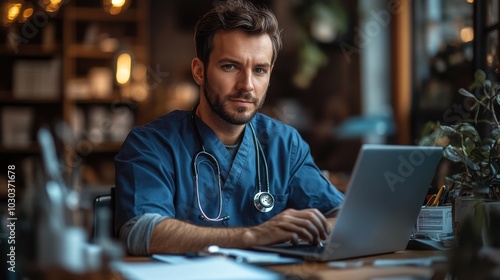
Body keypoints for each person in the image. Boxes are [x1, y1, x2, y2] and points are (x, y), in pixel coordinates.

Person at [114, 0, 344, 256]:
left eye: (259, 70)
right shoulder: (151, 144)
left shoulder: (285, 143)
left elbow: (342, 216)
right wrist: (255, 235)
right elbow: (142, 232)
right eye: (230, 66)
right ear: (199, 72)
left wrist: (309, 231)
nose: (247, 85)